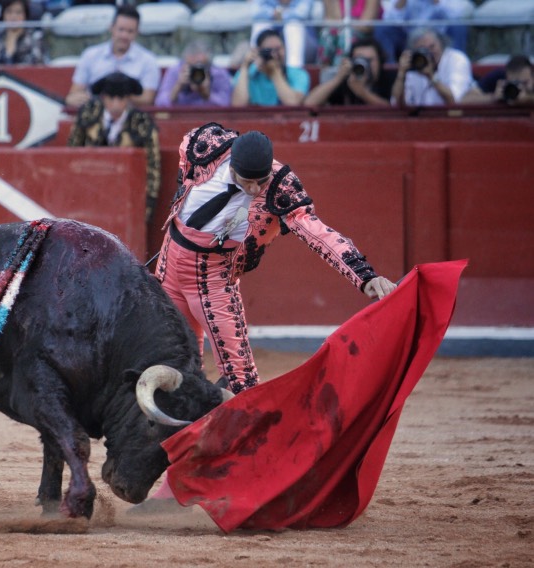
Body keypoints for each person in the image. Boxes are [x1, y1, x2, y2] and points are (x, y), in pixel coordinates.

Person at [132, 125, 397, 513]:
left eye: (261, 181)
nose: (256, 190)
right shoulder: (204, 145)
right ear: (232, 165)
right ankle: (160, 478)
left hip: (214, 282)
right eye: (247, 182)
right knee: (171, 373)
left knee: (243, 387)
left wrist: (365, 275)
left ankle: (247, 487)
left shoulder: (279, 186)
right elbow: (186, 171)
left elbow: (317, 233)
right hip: (170, 268)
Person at [67, 72, 160, 223]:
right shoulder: (87, 115)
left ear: (128, 98)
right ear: (104, 97)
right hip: (89, 189)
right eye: (111, 98)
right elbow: (71, 154)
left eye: (121, 98)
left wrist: (148, 205)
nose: (116, 103)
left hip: (125, 193)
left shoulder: (142, 122)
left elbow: (152, 165)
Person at [64, 5, 160, 110]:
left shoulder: (148, 60)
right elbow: (74, 93)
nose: (124, 36)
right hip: (94, 113)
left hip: (131, 115)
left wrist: (114, 97)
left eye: (130, 31)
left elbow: (147, 99)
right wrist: (74, 99)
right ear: (111, 27)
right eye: (121, 29)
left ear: (137, 32)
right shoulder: (90, 55)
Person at [391, 27, 472, 107]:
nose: (429, 53)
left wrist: (431, 76)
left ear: (441, 44)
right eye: (423, 49)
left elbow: (455, 100)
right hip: (419, 115)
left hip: (450, 114)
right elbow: (396, 104)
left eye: (432, 47)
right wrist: (401, 73)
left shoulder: (456, 59)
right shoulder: (415, 62)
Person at [304, 37, 395, 106]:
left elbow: (392, 110)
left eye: (369, 60)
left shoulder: (389, 79)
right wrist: (338, 78)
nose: (364, 64)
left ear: (380, 61)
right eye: (360, 59)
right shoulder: (344, 81)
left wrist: (363, 93)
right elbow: (309, 104)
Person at [231, 28, 309, 107]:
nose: (274, 55)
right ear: (258, 52)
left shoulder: (299, 74)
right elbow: (238, 106)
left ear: (284, 49)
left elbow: (293, 103)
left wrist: (274, 73)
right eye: (268, 51)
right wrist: (245, 67)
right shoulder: (245, 73)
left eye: (278, 49)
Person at [374, 0, 470, 63]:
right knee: (382, 29)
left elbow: (457, 14)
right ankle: (391, 71)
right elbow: (389, 19)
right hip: (408, 39)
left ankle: (457, 65)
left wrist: (436, 1)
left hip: (438, 38)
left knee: (458, 26)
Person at [154, 39, 232, 107]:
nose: (195, 71)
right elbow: (160, 103)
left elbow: (226, 105)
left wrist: (206, 94)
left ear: (209, 64)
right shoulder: (176, 71)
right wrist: (178, 86)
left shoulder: (218, 74)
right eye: (191, 66)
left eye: (200, 66)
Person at [316, 0, 382, 67]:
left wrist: (347, 26)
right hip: (342, 30)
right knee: (326, 34)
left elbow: (366, 25)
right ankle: (324, 69)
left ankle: (340, 69)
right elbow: (332, 20)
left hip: (365, 32)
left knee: (345, 36)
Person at [251, 0, 314, 68]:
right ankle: (255, 66)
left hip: (306, 42)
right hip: (274, 31)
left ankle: (294, 69)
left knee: (293, 25)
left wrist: (280, 14)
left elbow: (302, 13)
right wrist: (273, 13)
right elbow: (255, 12)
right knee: (261, 24)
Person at [0, 0, 47, 65]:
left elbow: (39, 65)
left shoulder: (34, 39)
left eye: (18, 12)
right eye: (9, 12)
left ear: (25, 15)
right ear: (3, 14)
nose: (13, 17)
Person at [461, 55, 534, 106]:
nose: (519, 87)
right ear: (506, 76)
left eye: (524, 83)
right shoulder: (498, 77)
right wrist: (493, 97)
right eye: (514, 83)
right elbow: (465, 100)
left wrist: (528, 98)